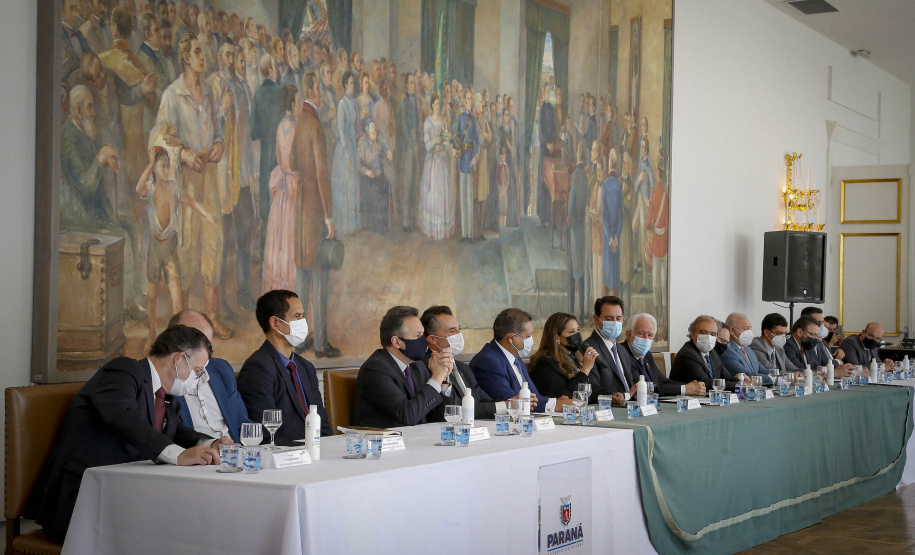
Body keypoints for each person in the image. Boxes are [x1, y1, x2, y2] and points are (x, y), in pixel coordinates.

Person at [26, 326, 226, 543]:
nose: (198, 380)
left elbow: (178, 431)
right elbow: (121, 415)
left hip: (129, 496)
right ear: (179, 359)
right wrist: (178, 455)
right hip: (84, 500)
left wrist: (212, 443)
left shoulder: (167, 399)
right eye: (197, 371)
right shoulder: (124, 370)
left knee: (194, 528)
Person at [156, 32, 231, 338]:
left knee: (214, 240)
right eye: (198, 52)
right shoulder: (172, 95)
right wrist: (183, 153)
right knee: (187, 245)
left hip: (209, 176)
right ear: (185, 57)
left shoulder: (211, 94)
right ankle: (184, 323)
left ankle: (211, 315)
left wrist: (218, 145)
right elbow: (160, 139)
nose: (204, 57)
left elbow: (218, 131)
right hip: (185, 179)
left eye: (203, 52)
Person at [136, 147, 216, 341]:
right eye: (162, 166)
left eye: (168, 166)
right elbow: (139, 189)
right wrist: (148, 163)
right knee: (152, 297)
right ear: (154, 168)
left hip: (170, 250)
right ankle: (152, 334)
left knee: (176, 299)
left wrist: (206, 214)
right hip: (155, 249)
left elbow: (190, 201)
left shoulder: (173, 188)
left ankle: (175, 339)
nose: (166, 170)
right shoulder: (151, 188)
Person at [237, 290, 333, 444]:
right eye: (297, 316)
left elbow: (322, 421)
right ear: (276, 323)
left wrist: (330, 448)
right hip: (286, 455)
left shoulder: (306, 367)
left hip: (317, 451)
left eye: (303, 315)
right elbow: (267, 431)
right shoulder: (258, 367)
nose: (303, 321)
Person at [291, 71, 339, 358]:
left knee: (302, 274)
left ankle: (298, 341)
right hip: (315, 209)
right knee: (320, 274)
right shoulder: (316, 126)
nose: (321, 91)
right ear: (312, 90)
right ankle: (320, 343)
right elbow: (322, 174)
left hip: (301, 206)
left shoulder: (300, 120)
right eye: (319, 87)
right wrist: (329, 216)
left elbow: (292, 161)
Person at [351, 306, 455, 428]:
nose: (425, 341)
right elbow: (407, 415)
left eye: (423, 334)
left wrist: (443, 380)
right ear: (396, 342)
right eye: (417, 336)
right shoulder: (375, 369)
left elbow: (442, 418)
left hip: (416, 441)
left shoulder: (418, 367)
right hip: (382, 443)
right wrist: (436, 377)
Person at [421, 305, 517, 420]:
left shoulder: (463, 368)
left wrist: (510, 404)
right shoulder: (422, 368)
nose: (459, 334)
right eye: (452, 331)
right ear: (432, 339)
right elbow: (450, 412)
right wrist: (505, 406)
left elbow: (483, 402)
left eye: (458, 328)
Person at [170, 311, 252, 442]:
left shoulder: (221, 369)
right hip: (194, 455)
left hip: (233, 454)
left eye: (206, 344)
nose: (202, 350)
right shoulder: (164, 377)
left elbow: (242, 423)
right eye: (195, 344)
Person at [470, 308, 572, 412]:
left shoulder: (516, 358)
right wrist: (555, 405)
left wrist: (555, 401)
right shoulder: (487, 361)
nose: (531, 340)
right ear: (511, 338)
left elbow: (534, 398)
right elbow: (512, 402)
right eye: (528, 336)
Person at [261, 84, 299, 292]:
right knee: (289, 241)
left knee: (279, 242)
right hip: (291, 185)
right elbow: (297, 162)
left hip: (281, 192)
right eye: (298, 102)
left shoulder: (279, 127)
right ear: (292, 104)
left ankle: (278, 286)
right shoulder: (296, 129)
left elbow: (278, 156)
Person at [620, 313, 706, 397]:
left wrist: (690, 386)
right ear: (628, 335)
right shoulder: (621, 354)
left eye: (650, 335)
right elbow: (644, 388)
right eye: (641, 333)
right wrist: (684, 389)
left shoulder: (647, 355)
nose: (646, 338)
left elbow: (663, 382)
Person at [529, 312, 604, 403]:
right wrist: (585, 369)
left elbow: (588, 391)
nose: (577, 335)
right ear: (557, 337)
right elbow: (568, 396)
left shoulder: (574, 358)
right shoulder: (546, 362)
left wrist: (610, 396)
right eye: (571, 332)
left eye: (578, 330)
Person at [251, 54, 285, 249]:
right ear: (272, 69)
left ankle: (266, 258)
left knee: (267, 209)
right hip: (281, 156)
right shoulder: (282, 93)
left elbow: (254, 133)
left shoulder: (257, 95)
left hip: (265, 158)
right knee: (281, 206)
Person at [581, 296, 637, 403]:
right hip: (608, 409)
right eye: (609, 318)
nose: (615, 323)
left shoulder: (622, 350)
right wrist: (616, 398)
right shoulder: (589, 349)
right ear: (596, 319)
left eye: (618, 318)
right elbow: (593, 389)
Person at [417, 92, 454, 239]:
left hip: (441, 162)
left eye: (439, 104)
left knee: (442, 193)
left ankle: (441, 228)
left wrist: (443, 145)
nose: (438, 106)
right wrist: (435, 144)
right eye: (436, 104)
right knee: (432, 194)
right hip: (432, 162)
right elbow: (426, 144)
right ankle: (431, 229)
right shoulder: (427, 122)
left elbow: (447, 140)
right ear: (432, 105)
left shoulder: (444, 122)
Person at [669, 315, 740, 391]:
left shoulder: (712, 352)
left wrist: (743, 383)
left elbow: (727, 376)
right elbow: (705, 383)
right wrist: (738, 386)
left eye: (713, 334)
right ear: (693, 335)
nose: (708, 337)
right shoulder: (688, 354)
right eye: (703, 333)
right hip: (686, 400)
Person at [331, 71, 360, 234]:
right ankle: (344, 226)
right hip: (344, 150)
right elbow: (341, 131)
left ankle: (353, 225)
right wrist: (347, 155)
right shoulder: (342, 104)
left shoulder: (354, 103)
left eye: (353, 83)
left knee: (353, 185)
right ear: (344, 85)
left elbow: (357, 128)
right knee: (345, 185)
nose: (352, 86)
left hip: (353, 146)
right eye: (350, 83)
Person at [453, 89, 480, 242]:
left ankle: (470, 234)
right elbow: (455, 136)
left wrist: (475, 157)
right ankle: (464, 233)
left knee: (469, 197)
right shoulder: (460, 118)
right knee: (463, 197)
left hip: (470, 159)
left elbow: (478, 143)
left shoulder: (474, 120)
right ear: (464, 101)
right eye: (468, 99)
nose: (469, 102)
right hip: (462, 157)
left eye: (471, 99)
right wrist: (454, 148)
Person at [358, 119, 393, 233]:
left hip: (378, 173)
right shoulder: (362, 142)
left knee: (386, 186)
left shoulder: (378, 137)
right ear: (367, 133)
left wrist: (388, 152)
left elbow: (385, 145)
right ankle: (376, 225)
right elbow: (358, 164)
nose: (375, 134)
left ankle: (384, 223)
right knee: (374, 192)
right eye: (372, 133)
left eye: (375, 132)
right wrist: (367, 172)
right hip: (368, 175)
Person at [720, 312, 774, 384]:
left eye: (750, 329)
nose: (749, 332)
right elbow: (748, 375)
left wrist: (784, 376)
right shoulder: (727, 351)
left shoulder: (748, 350)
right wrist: (778, 379)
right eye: (746, 328)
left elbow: (764, 371)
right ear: (732, 330)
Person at [567, 143, 588, 319]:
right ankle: (580, 313)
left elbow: (572, 201)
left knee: (573, 269)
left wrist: (569, 216)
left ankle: (571, 310)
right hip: (583, 227)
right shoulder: (586, 176)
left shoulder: (576, 175)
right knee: (580, 270)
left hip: (575, 226)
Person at [601, 149, 624, 296]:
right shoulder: (619, 185)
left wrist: (610, 237)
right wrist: (616, 237)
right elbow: (622, 216)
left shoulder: (605, 185)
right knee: (615, 276)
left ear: (609, 162)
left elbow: (603, 215)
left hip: (607, 237)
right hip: (616, 237)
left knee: (607, 274)